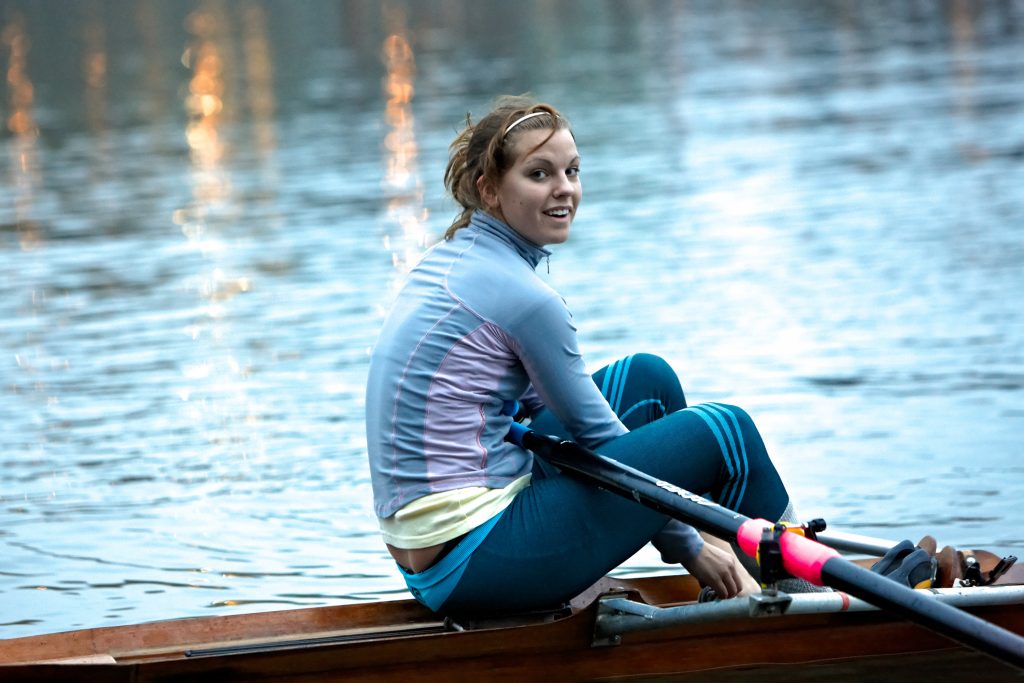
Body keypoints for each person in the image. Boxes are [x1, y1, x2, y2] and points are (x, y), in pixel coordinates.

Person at [365, 95, 803, 616]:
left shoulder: (455, 259)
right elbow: (598, 434)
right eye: (539, 174)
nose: (564, 189)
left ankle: (742, 571)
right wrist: (685, 545)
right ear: (489, 190)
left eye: (572, 171)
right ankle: (814, 595)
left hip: (433, 551)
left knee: (648, 380)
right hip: (476, 558)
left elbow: (524, 404)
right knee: (726, 432)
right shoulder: (525, 300)